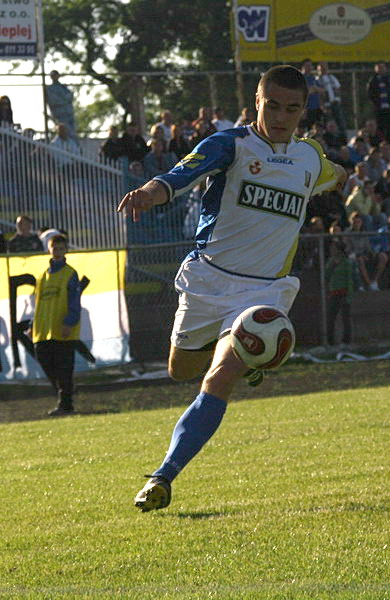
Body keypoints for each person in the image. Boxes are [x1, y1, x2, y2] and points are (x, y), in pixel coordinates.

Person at [118, 65, 345, 512]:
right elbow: (180, 176)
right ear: (256, 102)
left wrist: (341, 173)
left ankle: (163, 476)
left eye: (292, 109)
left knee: (220, 376)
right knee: (180, 371)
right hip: (209, 280)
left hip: (264, 292)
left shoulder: (308, 158)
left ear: (304, 111)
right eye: (273, 106)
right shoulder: (231, 144)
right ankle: (251, 358)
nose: (281, 116)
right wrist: (148, 192)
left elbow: (333, 172)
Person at [31, 235, 84, 416]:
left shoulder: (70, 274)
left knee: (63, 367)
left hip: (62, 330)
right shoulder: (42, 276)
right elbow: (38, 303)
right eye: (55, 248)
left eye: (61, 248)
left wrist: (70, 321)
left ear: (66, 250)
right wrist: (33, 325)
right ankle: (66, 391)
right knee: (46, 362)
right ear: (49, 249)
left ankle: (66, 404)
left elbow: (74, 301)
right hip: (43, 331)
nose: (58, 251)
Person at [367, 63, 390, 148]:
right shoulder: (374, 80)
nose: (381, 70)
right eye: (379, 68)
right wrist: (376, 104)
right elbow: (371, 94)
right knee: (381, 128)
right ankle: (380, 146)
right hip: (380, 108)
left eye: (382, 68)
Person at [317, 62, 347, 136]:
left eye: (325, 68)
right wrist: (322, 105)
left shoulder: (332, 77)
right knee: (328, 122)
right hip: (326, 105)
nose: (323, 70)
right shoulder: (317, 79)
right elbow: (318, 94)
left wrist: (338, 98)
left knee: (339, 121)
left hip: (335, 103)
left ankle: (342, 137)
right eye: (321, 68)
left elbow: (338, 88)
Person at [45, 70, 77, 134]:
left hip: (68, 112)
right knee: (64, 129)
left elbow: (70, 95)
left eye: (56, 75)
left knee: (72, 131)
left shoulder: (63, 87)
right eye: (53, 76)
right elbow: (53, 100)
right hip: (59, 113)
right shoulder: (50, 89)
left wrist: (65, 99)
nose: (55, 77)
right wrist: (64, 100)